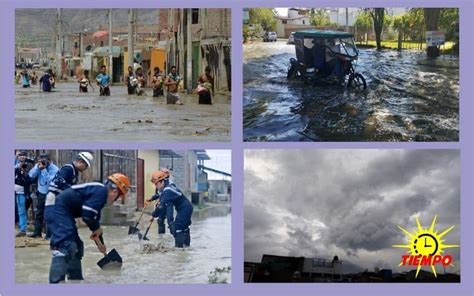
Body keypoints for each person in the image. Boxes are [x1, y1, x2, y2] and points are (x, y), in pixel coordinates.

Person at [48, 173, 130, 283]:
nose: (115, 201)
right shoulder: (101, 192)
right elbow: (87, 215)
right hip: (57, 209)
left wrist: (101, 244)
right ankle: (56, 285)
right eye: (117, 198)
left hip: (64, 212)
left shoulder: (99, 198)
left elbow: (95, 226)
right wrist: (96, 227)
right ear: (115, 192)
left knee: (77, 247)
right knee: (66, 245)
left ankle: (75, 281)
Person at [44, 152, 94, 240]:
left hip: (60, 196)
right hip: (54, 194)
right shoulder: (68, 168)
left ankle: (53, 236)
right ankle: (49, 237)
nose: (85, 169)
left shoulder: (75, 172)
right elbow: (60, 181)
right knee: (52, 216)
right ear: (80, 162)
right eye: (85, 166)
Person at [150, 170, 193, 248]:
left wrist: (153, 214)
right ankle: (186, 247)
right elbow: (159, 196)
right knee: (184, 227)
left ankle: (179, 250)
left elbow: (161, 206)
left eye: (156, 184)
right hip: (185, 207)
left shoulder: (167, 190)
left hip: (185, 208)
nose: (156, 186)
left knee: (177, 228)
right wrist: (152, 198)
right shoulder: (168, 186)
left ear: (162, 182)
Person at [28, 153, 59, 238]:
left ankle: (49, 235)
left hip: (51, 193)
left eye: (44, 161)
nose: (42, 163)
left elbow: (51, 181)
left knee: (50, 214)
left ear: (49, 160)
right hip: (41, 192)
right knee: (39, 214)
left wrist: (44, 170)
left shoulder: (55, 169)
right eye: (40, 161)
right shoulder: (38, 166)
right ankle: (37, 233)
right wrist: (37, 167)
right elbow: (31, 175)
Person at [146, 170, 174, 235]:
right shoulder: (159, 182)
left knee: (170, 221)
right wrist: (151, 198)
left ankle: (175, 235)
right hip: (162, 203)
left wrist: (153, 215)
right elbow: (158, 194)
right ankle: (161, 237)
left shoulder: (169, 184)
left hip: (168, 203)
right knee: (160, 220)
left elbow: (165, 194)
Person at [14, 151, 35, 237]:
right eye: (20, 155)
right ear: (17, 157)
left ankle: (23, 229)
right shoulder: (16, 164)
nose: (22, 157)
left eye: (24, 155)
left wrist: (23, 172)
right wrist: (17, 168)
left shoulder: (29, 165)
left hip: (23, 192)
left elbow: (30, 180)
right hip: (14, 190)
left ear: (26, 156)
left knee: (21, 210)